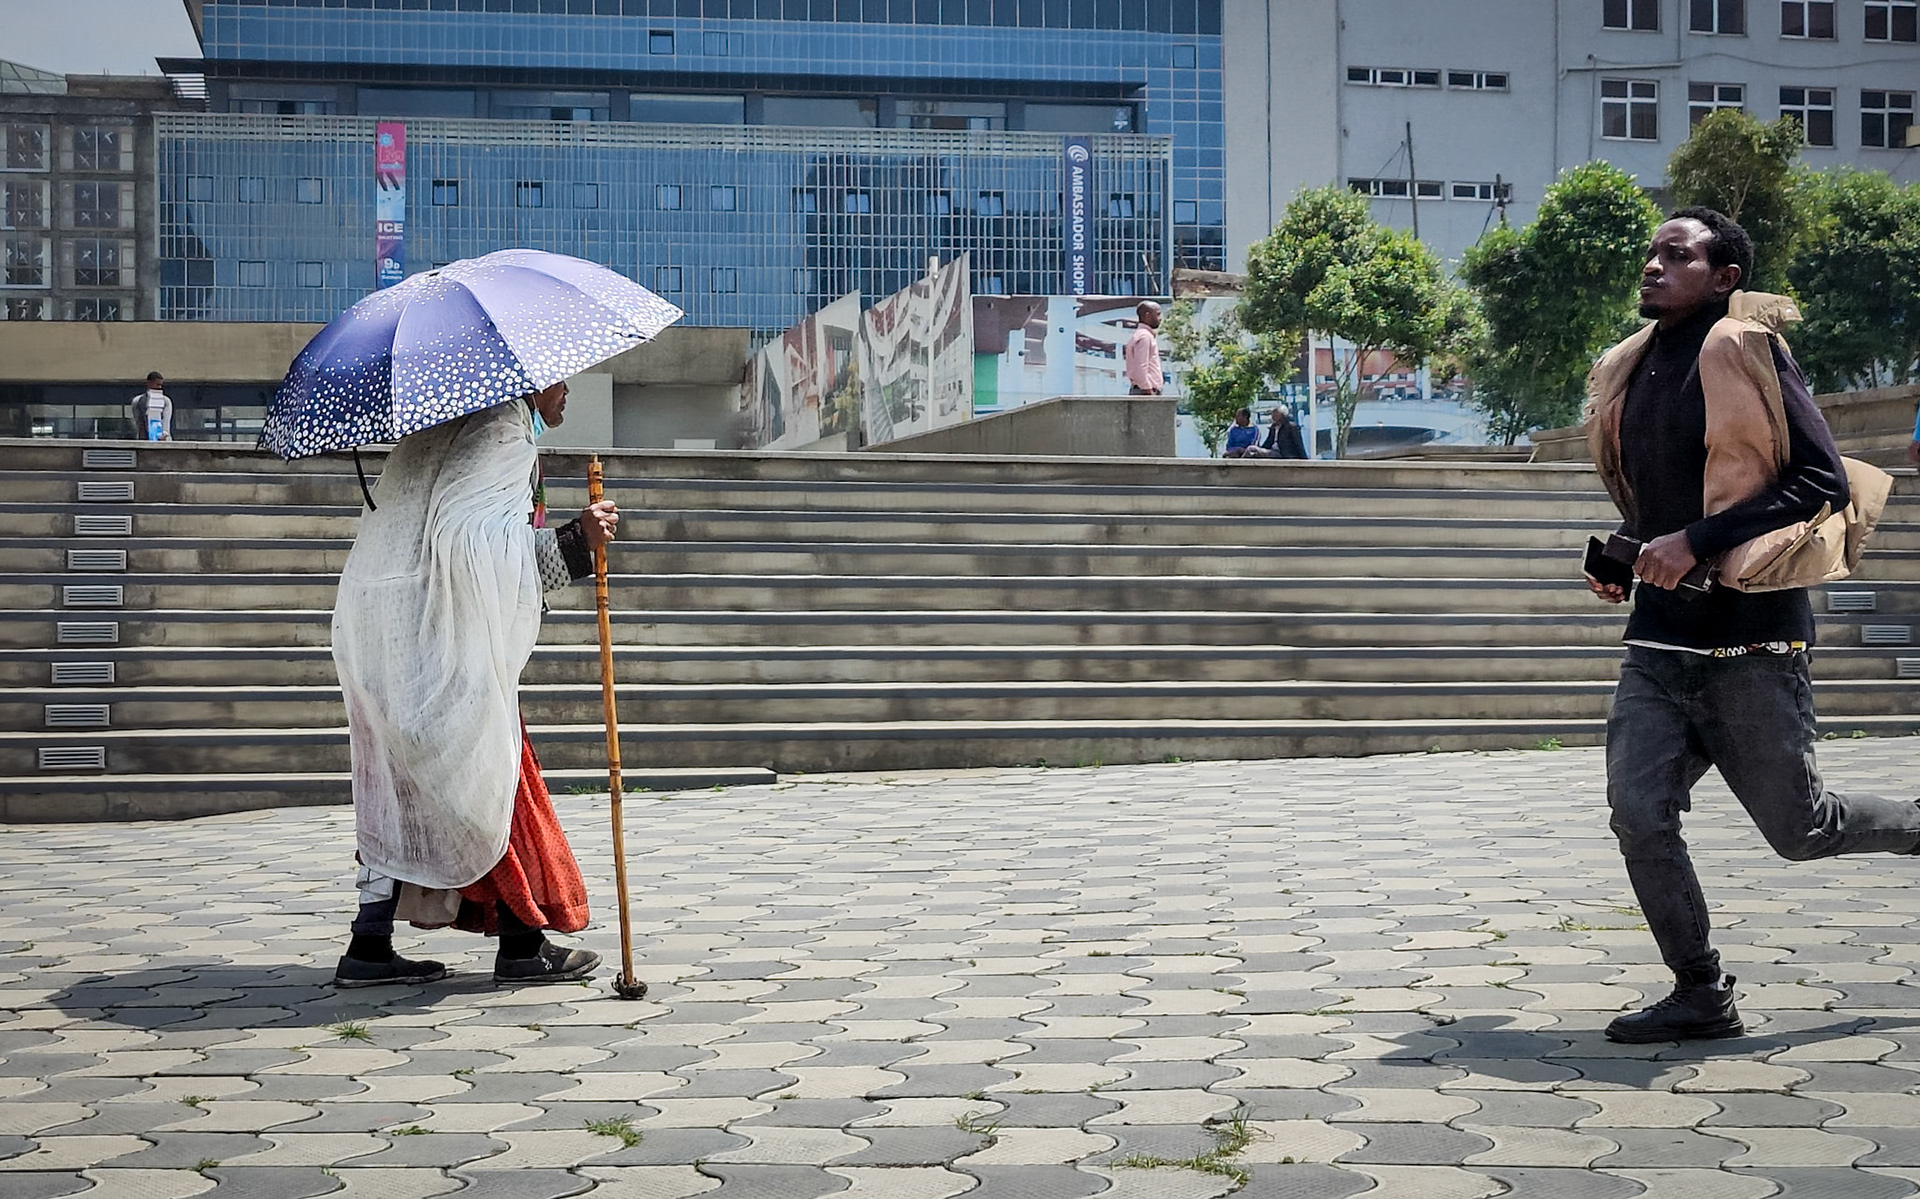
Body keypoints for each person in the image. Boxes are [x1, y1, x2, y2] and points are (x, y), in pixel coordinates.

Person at [1583, 207, 1920, 1043]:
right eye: (1652, 253)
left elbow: (1821, 479)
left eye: (1678, 254)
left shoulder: (1747, 351)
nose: (1654, 266)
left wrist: (1695, 540)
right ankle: (1700, 990)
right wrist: (1627, 555)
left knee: (1801, 831)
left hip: (1751, 642)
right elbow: (1663, 502)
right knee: (1638, 814)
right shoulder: (1633, 369)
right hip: (1660, 643)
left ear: (1725, 276)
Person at [329, 381, 619, 988]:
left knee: (398, 789)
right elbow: (468, 546)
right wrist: (575, 541)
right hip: (438, 639)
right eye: (561, 379)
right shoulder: (501, 429)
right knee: (495, 778)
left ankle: (370, 944)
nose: (568, 392)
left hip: (378, 634)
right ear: (529, 379)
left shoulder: (434, 428)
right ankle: (520, 946)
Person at [1124, 300, 1164, 396]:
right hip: (1145, 392)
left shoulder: (1143, 335)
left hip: (1145, 390)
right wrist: (1147, 390)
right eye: (1158, 314)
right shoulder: (1144, 337)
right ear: (1147, 315)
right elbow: (1141, 366)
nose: (1160, 318)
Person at [128, 372, 172, 441]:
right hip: (143, 439)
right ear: (149, 383)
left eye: (160, 385)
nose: (159, 387)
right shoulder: (137, 401)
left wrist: (164, 433)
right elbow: (137, 420)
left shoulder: (166, 401)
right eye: (157, 384)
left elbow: (166, 420)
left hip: (163, 439)